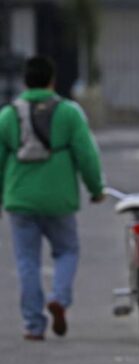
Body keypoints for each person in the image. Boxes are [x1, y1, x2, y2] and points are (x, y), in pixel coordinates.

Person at [0, 56, 104, 341]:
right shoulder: (69, 113)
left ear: (25, 82)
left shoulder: (8, 115)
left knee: (27, 262)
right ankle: (59, 298)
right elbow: (86, 154)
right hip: (59, 200)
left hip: (20, 199)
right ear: (52, 81)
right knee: (67, 251)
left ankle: (33, 325)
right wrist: (96, 188)